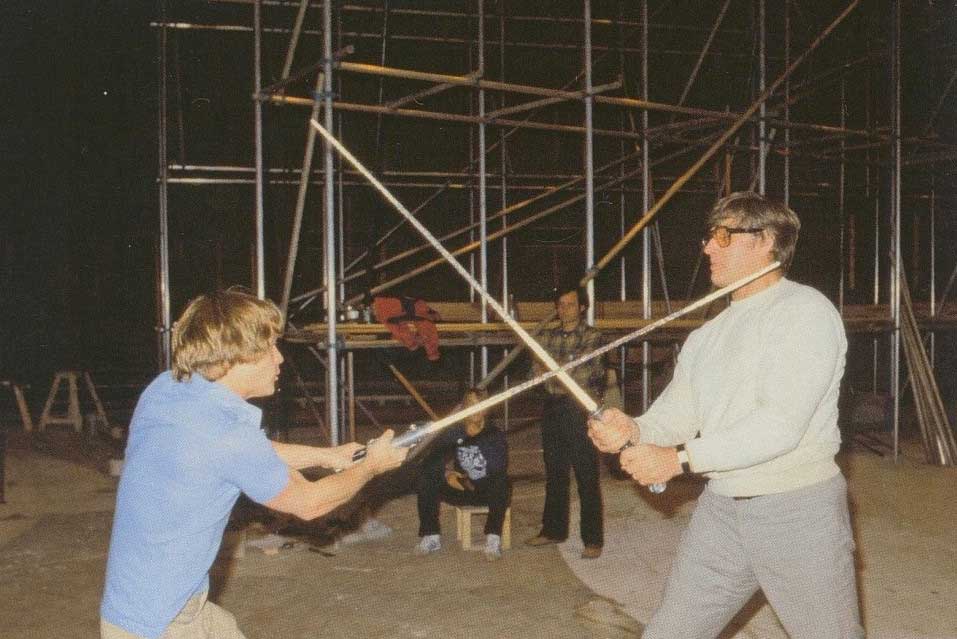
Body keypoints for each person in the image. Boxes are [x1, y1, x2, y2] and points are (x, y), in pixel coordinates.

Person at [588, 191, 864, 639]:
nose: (707, 247)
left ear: (765, 240)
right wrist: (633, 428)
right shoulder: (709, 334)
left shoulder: (805, 313)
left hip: (796, 511)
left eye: (723, 236)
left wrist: (676, 460)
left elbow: (778, 425)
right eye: (709, 236)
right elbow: (677, 414)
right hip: (722, 512)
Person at [100, 289, 407, 639]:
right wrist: (370, 467)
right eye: (268, 349)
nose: (279, 359)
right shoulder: (226, 434)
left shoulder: (170, 389)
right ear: (233, 359)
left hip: (145, 603)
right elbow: (309, 503)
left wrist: (326, 456)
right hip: (161, 624)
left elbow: (245, 452)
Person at [525, 282, 618, 560]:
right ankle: (553, 530)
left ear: (582, 307)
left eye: (569, 304)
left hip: (579, 411)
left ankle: (592, 539)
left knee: (586, 475)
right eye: (560, 305)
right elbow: (535, 375)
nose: (564, 309)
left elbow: (585, 376)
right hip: (552, 409)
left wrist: (554, 369)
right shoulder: (547, 337)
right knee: (554, 473)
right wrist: (563, 366)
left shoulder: (593, 337)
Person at [413, 388, 510, 560]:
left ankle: (493, 538)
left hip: (485, 491)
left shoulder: (494, 434)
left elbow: (497, 467)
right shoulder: (454, 432)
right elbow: (433, 459)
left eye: (480, 405)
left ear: (487, 409)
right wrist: (447, 473)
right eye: (471, 404)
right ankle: (431, 535)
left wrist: (466, 477)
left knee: (502, 482)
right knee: (427, 475)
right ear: (464, 408)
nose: (476, 409)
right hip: (459, 488)